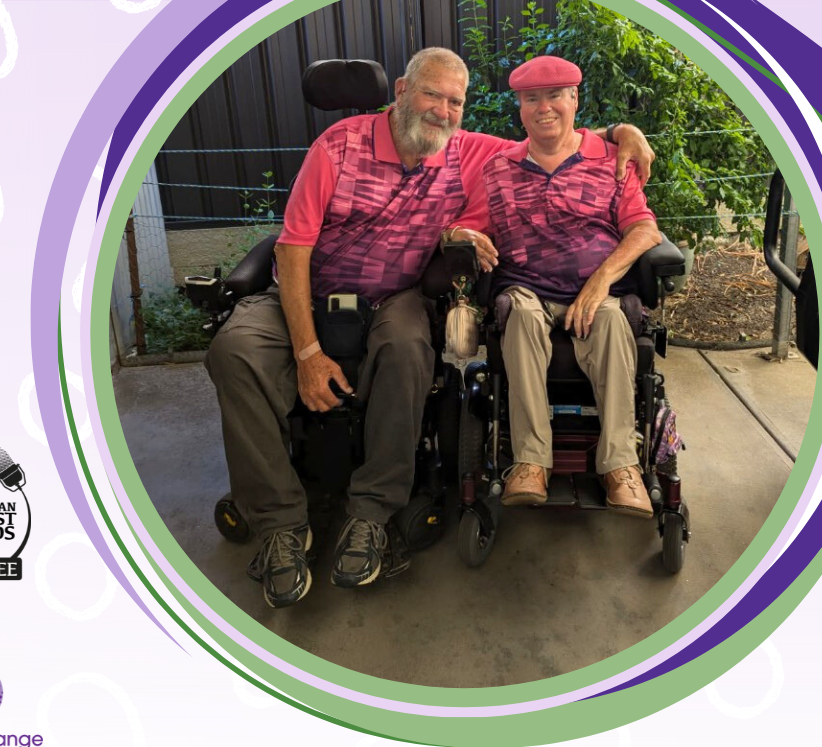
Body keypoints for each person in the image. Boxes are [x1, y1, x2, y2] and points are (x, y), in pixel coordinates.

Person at [205, 48, 656, 609]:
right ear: (400, 90)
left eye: (455, 102)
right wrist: (307, 351)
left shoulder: (466, 151)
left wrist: (621, 132)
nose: (443, 110)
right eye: (431, 94)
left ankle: (370, 514)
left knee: (410, 350)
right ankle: (280, 525)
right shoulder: (338, 147)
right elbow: (293, 249)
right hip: (304, 288)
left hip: (394, 295)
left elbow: (548, 135)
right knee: (233, 350)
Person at [448, 55, 662, 517]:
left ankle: (621, 465)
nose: (543, 108)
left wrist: (603, 278)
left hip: (596, 291)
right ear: (520, 109)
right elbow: (464, 225)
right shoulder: (498, 167)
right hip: (526, 289)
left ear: (574, 99)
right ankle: (530, 461)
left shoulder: (612, 159)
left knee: (607, 321)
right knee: (520, 317)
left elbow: (644, 230)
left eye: (554, 96)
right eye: (531, 99)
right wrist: (460, 235)